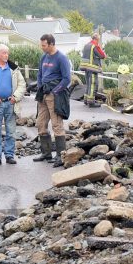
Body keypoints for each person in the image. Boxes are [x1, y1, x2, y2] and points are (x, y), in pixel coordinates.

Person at [34, 32, 71, 165]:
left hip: (55, 95)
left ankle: (61, 156)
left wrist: (55, 91)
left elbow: (67, 78)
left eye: (44, 45)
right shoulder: (44, 57)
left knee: (57, 125)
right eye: (41, 45)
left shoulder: (61, 58)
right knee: (40, 123)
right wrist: (39, 86)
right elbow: (39, 74)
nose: (42, 47)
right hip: (42, 94)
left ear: (51, 44)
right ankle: (46, 153)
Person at [80, 32, 106, 100]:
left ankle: (86, 99)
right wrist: (104, 53)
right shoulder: (94, 46)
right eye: (98, 40)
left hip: (85, 67)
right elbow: (102, 55)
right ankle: (91, 101)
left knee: (88, 84)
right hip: (92, 68)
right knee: (93, 84)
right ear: (97, 39)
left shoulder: (86, 45)